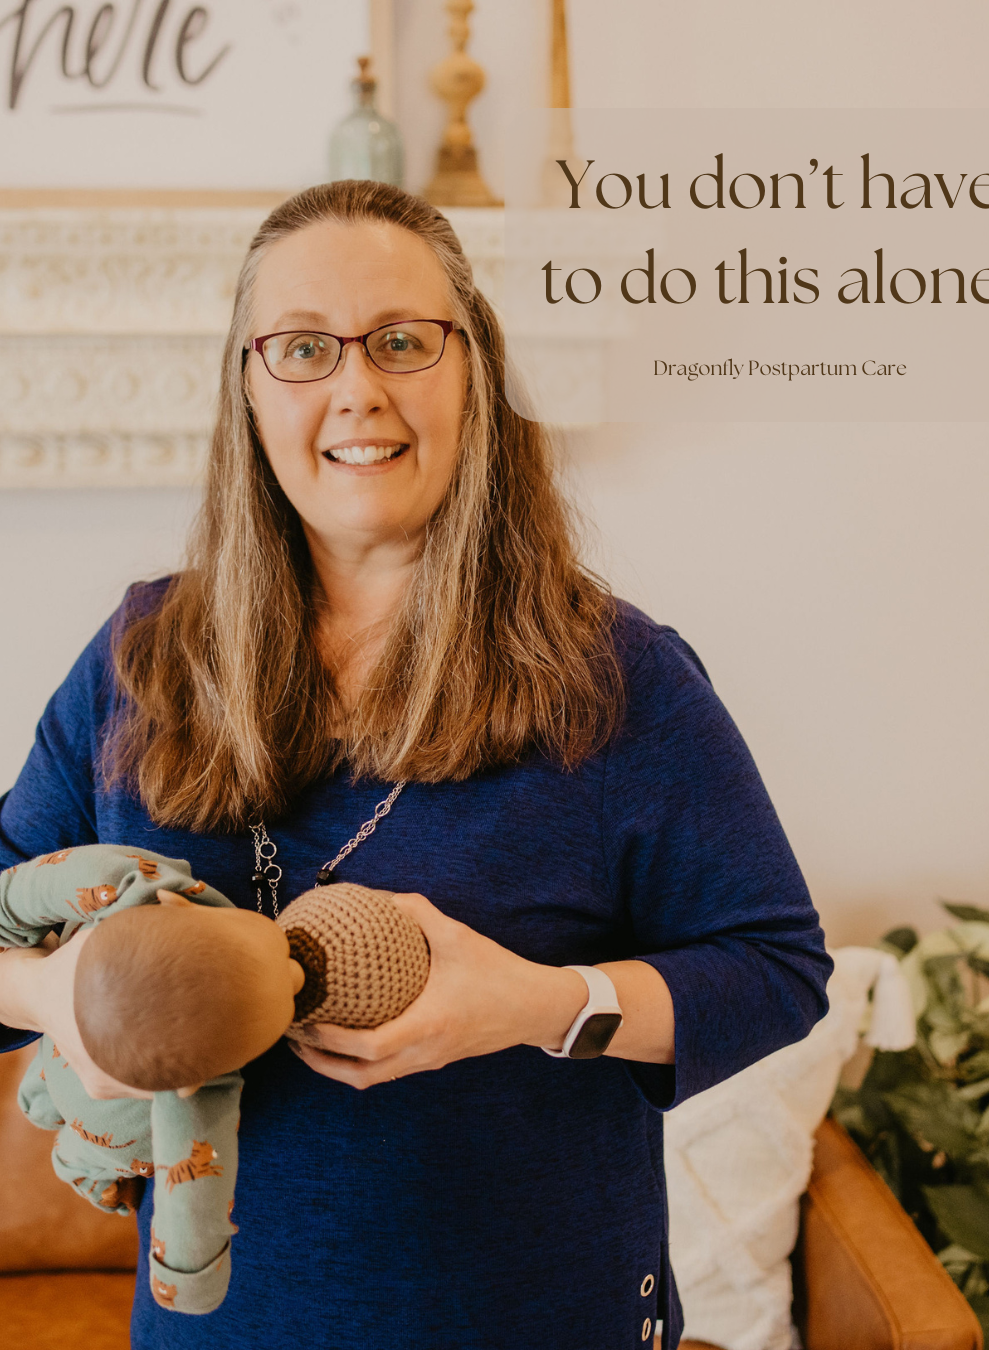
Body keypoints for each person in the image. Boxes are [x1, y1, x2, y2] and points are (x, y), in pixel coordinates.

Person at [0, 179, 831, 1350]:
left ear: (474, 372)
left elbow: (778, 971)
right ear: (246, 385)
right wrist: (65, 1002)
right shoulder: (143, 656)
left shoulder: (620, 676)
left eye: (402, 340)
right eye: (301, 347)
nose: (357, 388)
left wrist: (537, 1007)